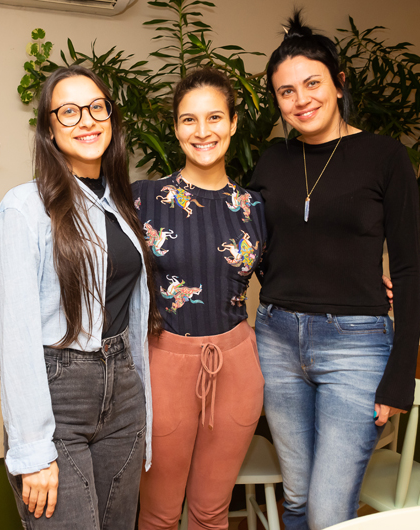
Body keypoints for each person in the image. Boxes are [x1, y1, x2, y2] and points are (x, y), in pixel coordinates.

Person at [249, 12, 420, 530]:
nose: (300, 100)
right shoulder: (271, 160)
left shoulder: (385, 156)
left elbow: (408, 270)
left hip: (357, 348)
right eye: (286, 91)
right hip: (277, 339)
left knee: (328, 510)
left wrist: (400, 378)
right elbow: (249, 248)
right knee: (298, 498)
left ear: (339, 83)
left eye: (312, 83)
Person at [0, 65, 161, 530]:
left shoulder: (119, 204)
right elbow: (15, 339)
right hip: (56, 393)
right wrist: (32, 451)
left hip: (123, 392)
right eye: (69, 111)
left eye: (97, 107)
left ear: (111, 117)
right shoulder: (23, 209)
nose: (87, 120)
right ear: (49, 129)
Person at [133, 68, 267, 530]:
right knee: (159, 514)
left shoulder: (255, 207)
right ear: (175, 128)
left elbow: (289, 277)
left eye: (214, 117)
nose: (202, 131)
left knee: (212, 513)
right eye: (189, 119)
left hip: (237, 366)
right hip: (164, 365)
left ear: (233, 123)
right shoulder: (142, 199)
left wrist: (365, 282)